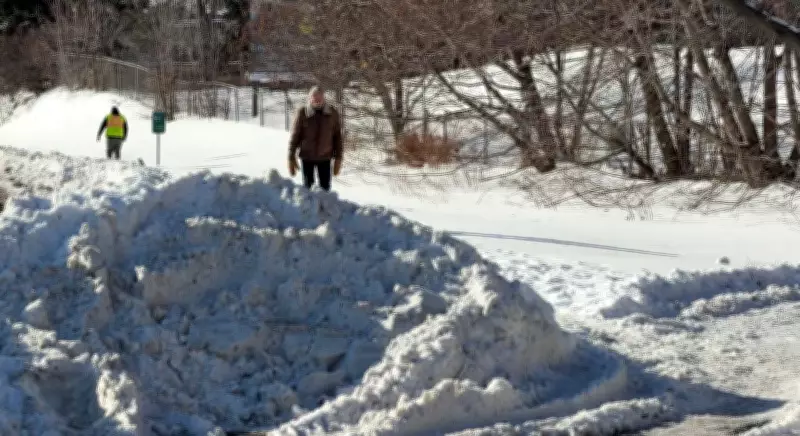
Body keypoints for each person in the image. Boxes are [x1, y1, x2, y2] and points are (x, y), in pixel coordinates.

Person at [288, 86, 343, 191]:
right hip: (307, 157)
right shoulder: (303, 112)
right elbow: (295, 136)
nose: (317, 99)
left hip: (325, 157)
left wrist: (338, 158)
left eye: (319, 96)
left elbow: (337, 137)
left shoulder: (332, 113)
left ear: (324, 97)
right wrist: (291, 156)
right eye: (314, 96)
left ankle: (325, 202)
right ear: (310, 98)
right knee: (308, 188)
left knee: (325, 188)